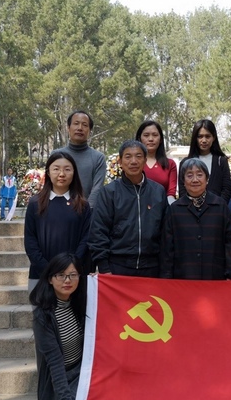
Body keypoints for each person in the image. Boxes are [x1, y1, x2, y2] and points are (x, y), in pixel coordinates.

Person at [89, 140, 167, 277]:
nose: (133, 161)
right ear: (120, 162)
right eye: (128, 156)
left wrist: (165, 269)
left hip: (152, 267)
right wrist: (104, 267)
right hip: (117, 267)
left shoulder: (158, 191)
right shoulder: (109, 192)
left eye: (138, 156)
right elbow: (98, 230)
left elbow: (166, 232)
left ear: (145, 160)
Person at [29, 252, 86, 400]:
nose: (67, 280)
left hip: (81, 374)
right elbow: (55, 364)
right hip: (58, 380)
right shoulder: (43, 317)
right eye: (61, 275)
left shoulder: (80, 305)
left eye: (73, 275)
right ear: (50, 279)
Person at [161, 158, 231, 280]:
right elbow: (167, 248)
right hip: (183, 275)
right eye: (189, 175)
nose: (195, 180)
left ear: (207, 179)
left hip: (215, 274)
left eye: (199, 175)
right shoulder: (174, 209)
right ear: (183, 181)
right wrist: (166, 277)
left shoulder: (220, 206)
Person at [24, 152, 91, 292]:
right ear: (48, 172)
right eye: (56, 169)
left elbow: (86, 239)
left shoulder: (82, 205)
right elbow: (30, 240)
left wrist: (70, 269)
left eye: (67, 169)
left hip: (73, 275)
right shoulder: (35, 203)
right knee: (42, 307)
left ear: (74, 173)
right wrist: (48, 271)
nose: (61, 174)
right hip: (41, 274)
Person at [53, 110, 106, 207]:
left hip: (87, 211)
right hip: (58, 208)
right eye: (76, 123)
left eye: (85, 125)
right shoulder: (56, 155)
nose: (80, 128)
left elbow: (97, 189)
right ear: (68, 128)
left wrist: (86, 211)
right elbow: (51, 185)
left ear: (89, 131)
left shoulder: (98, 158)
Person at [179, 119, 231, 202]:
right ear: (195, 138)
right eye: (200, 136)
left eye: (207, 136)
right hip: (190, 209)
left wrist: (218, 206)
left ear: (213, 137)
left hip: (217, 208)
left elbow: (226, 189)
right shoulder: (185, 163)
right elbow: (182, 190)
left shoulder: (221, 161)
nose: (204, 140)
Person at [135, 120, 177, 204]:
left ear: (160, 139)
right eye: (146, 135)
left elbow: (171, 194)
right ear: (139, 138)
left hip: (162, 208)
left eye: (155, 135)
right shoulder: (133, 163)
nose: (151, 139)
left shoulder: (170, 164)